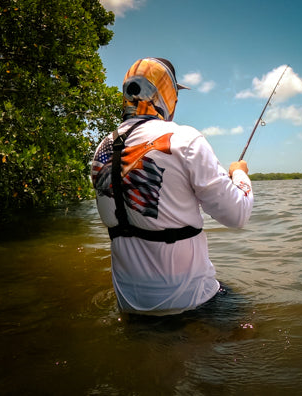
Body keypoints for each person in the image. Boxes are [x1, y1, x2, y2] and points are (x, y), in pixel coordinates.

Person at [91, 58, 253, 316]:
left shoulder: (103, 147)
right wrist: (239, 174)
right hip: (190, 302)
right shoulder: (185, 139)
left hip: (129, 306)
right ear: (166, 95)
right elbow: (238, 215)